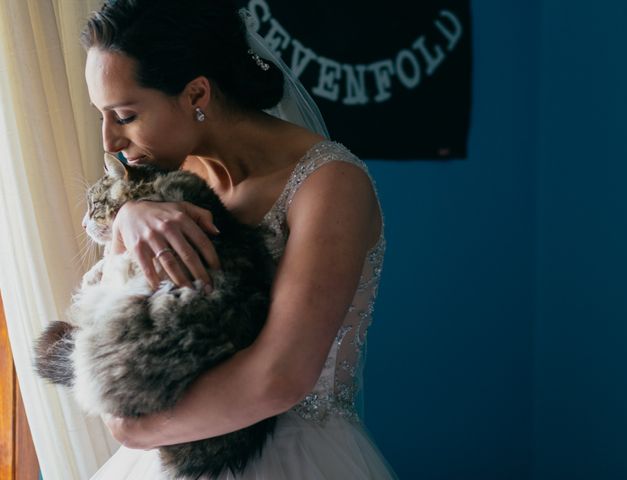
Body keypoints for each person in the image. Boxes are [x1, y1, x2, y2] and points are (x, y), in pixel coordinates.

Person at [83, 0, 397, 478]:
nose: (109, 142)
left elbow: (282, 378)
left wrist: (136, 429)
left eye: (124, 115)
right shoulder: (164, 180)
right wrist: (129, 217)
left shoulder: (329, 184)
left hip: (295, 457)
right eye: (101, 116)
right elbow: (113, 327)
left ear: (196, 95)